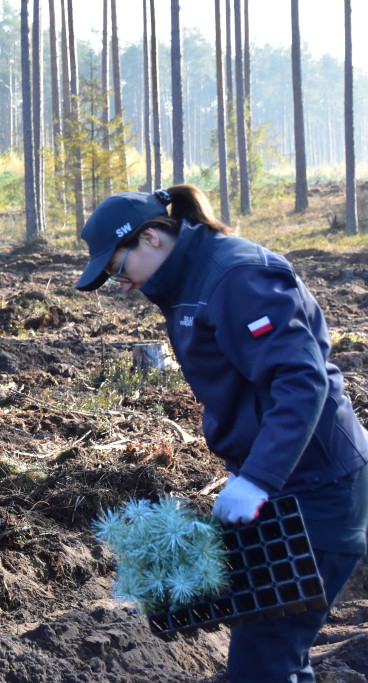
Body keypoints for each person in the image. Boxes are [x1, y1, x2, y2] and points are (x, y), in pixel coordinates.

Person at [75, 185, 368, 682]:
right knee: (272, 651)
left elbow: (299, 380)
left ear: (150, 238)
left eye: (118, 269)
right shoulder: (187, 281)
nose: (120, 285)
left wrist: (257, 480)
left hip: (320, 485)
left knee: (266, 655)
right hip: (286, 485)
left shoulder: (236, 276)